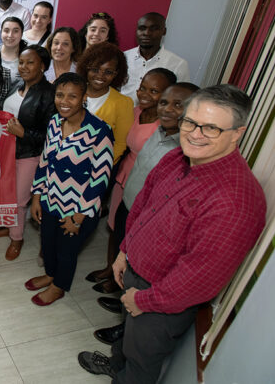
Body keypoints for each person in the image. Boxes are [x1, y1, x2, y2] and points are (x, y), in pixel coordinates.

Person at [78, 85, 265, 383]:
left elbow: (199, 277)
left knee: (141, 363)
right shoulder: (177, 157)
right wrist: (124, 251)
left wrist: (143, 301)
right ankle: (116, 366)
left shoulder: (235, 201)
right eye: (190, 122)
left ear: (237, 133)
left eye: (211, 128)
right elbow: (143, 204)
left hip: (161, 300)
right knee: (128, 344)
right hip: (135, 275)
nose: (195, 133)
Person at [88, 82, 199, 349]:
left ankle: (125, 330)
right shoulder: (158, 132)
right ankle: (123, 299)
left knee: (141, 272)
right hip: (131, 202)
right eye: (165, 103)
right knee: (126, 261)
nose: (168, 110)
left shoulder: (186, 149)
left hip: (150, 220)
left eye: (178, 105)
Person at [26, 73, 114, 306]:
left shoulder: (100, 131)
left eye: (72, 96)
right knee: (48, 243)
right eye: (60, 95)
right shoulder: (55, 121)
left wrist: (78, 217)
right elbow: (44, 161)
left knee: (67, 251)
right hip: (49, 199)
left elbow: (100, 178)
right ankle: (50, 274)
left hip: (77, 208)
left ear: (84, 98)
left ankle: (59, 286)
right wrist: (37, 196)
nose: (64, 101)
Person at [91, 68, 176, 295]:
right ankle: (110, 269)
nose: (145, 93)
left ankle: (120, 282)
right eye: (143, 87)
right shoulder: (135, 111)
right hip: (124, 175)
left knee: (131, 233)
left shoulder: (164, 125)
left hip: (143, 183)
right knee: (115, 226)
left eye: (154, 91)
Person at [0, 46, 55, 261]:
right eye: (21, 62)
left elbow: (50, 135)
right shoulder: (17, 83)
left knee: (18, 199)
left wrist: (24, 133)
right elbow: (10, 110)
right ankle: (8, 227)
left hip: (29, 154)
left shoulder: (49, 94)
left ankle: (17, 238)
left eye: (30, 63)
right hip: (6, 150)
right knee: (5, 192)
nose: (24, 67)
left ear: (43, 66)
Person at [76, 42, 134, 164]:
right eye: (95, 69)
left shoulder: (124, 103)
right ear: (86, 68)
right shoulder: (73, 92)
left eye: (108, 72)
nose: (100, 76)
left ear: (116, 74)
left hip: (97, 171)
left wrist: (98, 167)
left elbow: (120, 144)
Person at [120, 12, 190, 102]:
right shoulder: (123, 57)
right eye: (142, 28)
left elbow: (182, 98)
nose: (147, 33)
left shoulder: (178, 64)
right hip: (119, 113)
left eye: (154, 29)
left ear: (164, 31)